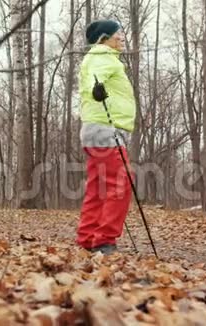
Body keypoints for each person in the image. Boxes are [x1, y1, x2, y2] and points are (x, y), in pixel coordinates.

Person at [76, 20, 136, 255]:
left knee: (99, 187)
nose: (121, 37)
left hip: (96, 129)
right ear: (104, 38)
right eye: (117, 34)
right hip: (104, 129)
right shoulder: (102, 56)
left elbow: (93, 74)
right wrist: (96, 88)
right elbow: (94, 77)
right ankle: (104, 241)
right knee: (121, 183)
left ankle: (88, 237)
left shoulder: (99, 56)